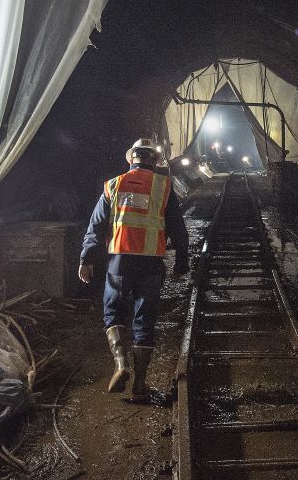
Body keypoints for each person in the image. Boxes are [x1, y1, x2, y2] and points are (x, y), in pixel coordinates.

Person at [79, 138, 189, 403]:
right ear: (154, 161)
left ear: (131, 159)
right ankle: (140, 384)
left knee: (113, 312)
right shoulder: (163, 186)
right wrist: (183, 262)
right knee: (145, 318)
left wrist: (86, 259)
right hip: (150, 263)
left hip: (119, 262)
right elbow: (178, 228)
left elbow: (96, 227)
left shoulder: (113, 185)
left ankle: (120, 364)